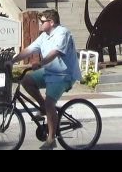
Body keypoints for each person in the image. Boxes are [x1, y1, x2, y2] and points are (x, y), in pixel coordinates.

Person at [11, 8, 78, 150]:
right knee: (27, 81)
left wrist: (41, 63)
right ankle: (42, 107)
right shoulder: (44, 36)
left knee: (50, 104)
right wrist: (13, 61)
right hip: (49, 71)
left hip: (63, 75)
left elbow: (55, 52)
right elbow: (29, 49)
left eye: (42, 21)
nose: (40, 24)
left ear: (51, 22)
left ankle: (51, 138)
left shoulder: (62, 33)